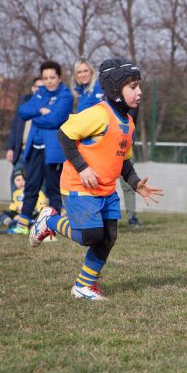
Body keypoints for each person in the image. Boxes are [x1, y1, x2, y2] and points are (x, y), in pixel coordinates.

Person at [29, 57, 163, 301]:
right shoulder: (98, 114)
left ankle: (83, 287)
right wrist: (82, 168)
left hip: (107, 191)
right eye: (133, 87)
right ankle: (49, 222)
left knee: (109, 237)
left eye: (139, 86)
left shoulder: (128, 123)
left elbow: (123, 160)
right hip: (80, 186)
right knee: (90, 236)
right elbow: (65, 134)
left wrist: (135, 183)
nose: (139, 92)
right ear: (115, 90)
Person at [73, 57, 141, 227]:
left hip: (116, 142)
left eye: (85, 71)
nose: (82, 74)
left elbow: (121, 112)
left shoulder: (103, 89)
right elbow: (67, 132)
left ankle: (132, 216)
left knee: (126, 179)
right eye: (79, 72)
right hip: (92, 149)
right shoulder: (81, 93)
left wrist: (124, 132)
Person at [11, 61, 73, 235]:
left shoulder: (66, 96)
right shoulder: (40, 93)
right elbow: (23, 111)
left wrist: (36, 115)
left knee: (53, 188)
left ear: (59, 77)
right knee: (31, 186)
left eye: (52, 77)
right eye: (45, 78)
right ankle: (22, 225)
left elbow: (55, 119)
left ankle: (52, 227)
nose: (49, 81)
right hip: (34, 148)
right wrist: (42, 111)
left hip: (52, 151)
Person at [6, 77, 44, 196]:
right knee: (16, 177)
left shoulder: (48, 104)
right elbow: (15, 127)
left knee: (41, 180)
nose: (40, 90)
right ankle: (15, 206)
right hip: (22, 150)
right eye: (38, 87)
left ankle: (41, 209)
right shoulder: (24, 103)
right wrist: (10, 147)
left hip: (38, 150)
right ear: (33, 88)